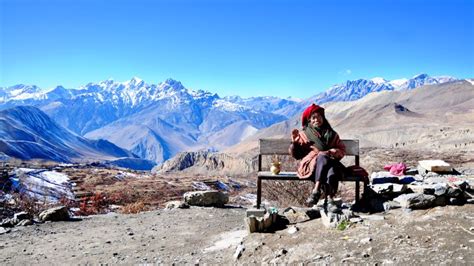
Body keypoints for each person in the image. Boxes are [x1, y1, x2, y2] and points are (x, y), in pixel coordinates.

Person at [289, 103, 346, 211]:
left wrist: (335, 151)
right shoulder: (304, 134)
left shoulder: (332, 134)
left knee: (328, 164)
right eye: (313, 117)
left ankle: (318, 192)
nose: (317, 120)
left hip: (329, 161)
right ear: (309, 120)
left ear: (323, 118)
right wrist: (294, 143)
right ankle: (329, 199)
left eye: (319, 117)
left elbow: (342, 150)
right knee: (325, 160)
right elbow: (297, 155)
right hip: (312, 165)